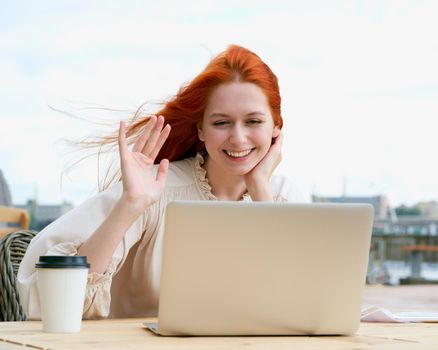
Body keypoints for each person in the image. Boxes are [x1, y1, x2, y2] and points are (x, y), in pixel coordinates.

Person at [17, 44, 306, 319]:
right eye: (221, 122)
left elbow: (300, 304)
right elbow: (50, 302)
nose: (239, 138)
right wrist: (130, 205)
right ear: (201, 130)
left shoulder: (281, 196)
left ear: (276, 127)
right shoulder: (156, 187)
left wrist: (259, 190)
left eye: (254, 121)